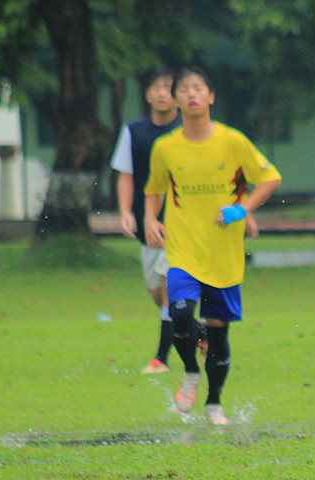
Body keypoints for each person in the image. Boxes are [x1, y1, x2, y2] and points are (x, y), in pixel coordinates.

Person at [144, 66, 281, 425]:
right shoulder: (165, 147)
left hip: (223, 253)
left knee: (219, 332)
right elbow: (155, 187)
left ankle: (214, 403)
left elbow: (270, 177)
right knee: (182, 313)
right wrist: (149, 218)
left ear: (210, 96)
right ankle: (190, 371)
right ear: (176, 100)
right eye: (184, 89)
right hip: (183, 250)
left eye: (198, 88)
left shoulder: (232, 141)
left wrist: (242, 210)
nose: (191, 94)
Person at [109, 68, 185, 374]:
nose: (163, 92)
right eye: (157, 87)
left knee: (169, 289)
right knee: (158, 295)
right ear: (148, 95)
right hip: (147, 223)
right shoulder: (134, 130)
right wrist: (126, 212)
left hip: (181, 225)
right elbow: (125, 175)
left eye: (169, 87)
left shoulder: (188, 130)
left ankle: (161, 359)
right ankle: (199, 332)